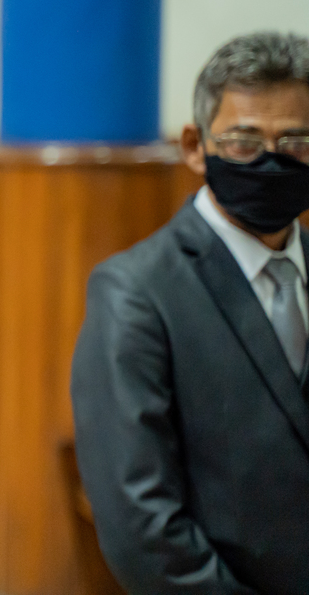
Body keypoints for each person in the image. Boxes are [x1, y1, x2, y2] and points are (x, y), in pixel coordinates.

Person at [71, 31, 309, 593]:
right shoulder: (136, 292)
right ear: (195, 146)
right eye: (244, 142)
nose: (271, 162)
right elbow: (140, 523)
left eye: (296, 142)